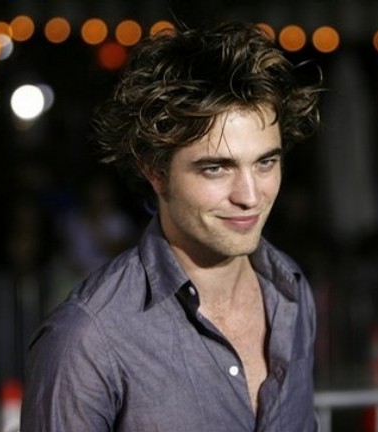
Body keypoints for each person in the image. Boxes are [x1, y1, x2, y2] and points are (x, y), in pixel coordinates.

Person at [21, 21, 322, 431]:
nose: (250, 195)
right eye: (216, 168)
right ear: (156, 172)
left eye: (265, 162)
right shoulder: (86, 339)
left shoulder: (290, 291)